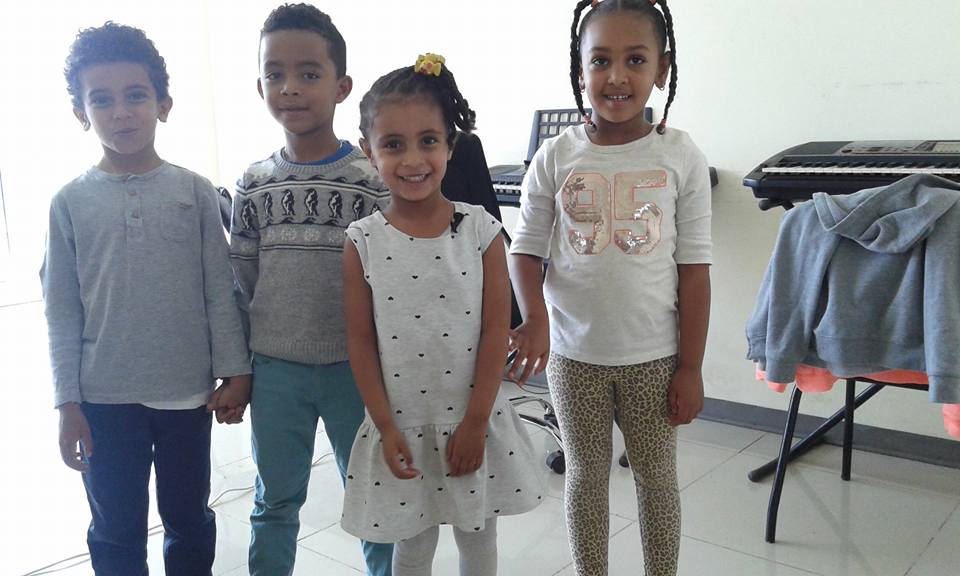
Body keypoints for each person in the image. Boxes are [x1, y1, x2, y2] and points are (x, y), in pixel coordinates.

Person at [507, 1, 713, 574]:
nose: (616, 76)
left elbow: (695, 269)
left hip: (655, 359)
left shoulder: (680, 155)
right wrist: (535, 318)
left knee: (656, 479)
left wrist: (691, 367)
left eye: (635, 59)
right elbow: (524, 250)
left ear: (662, 69)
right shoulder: (556, 156)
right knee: (585, 478)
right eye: (600, 60)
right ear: (580, 71)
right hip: (574, 359)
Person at [42, 22, 252, 575]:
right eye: (102, 100)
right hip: (103, 398)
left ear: (163, 104)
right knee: (115, 529)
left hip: (186, 394)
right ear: (81, 113)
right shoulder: (68, 203)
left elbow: (219, 289)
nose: (121, 113)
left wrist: (236, 371)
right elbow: (61, 311)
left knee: (188, 518)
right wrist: (67, 403)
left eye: (135, 95)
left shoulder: (194, 192)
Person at [339, 54, 543, 576]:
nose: (413, 159)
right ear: (368, 151)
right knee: (412, 544)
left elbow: (496, 331)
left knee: (478, 537)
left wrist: (475, 423)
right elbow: (360, 342)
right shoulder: (362, 241)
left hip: (473, 418)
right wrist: (385, 426)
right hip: (402, 424)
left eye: (428, 140)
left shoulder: (481, 231)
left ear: (450, 145)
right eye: (393, 144)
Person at [229, 4, 393, 575]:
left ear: (341, 86)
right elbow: (242, 284)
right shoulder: (253, 184)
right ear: (260, 86)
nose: (290, 87)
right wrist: (239, 367)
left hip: (356, 369)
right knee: (275, 500)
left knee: (374, 497)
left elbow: (389, 284)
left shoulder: (372, 183)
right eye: (275, 74)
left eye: (308, 73)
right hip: (276, 370)